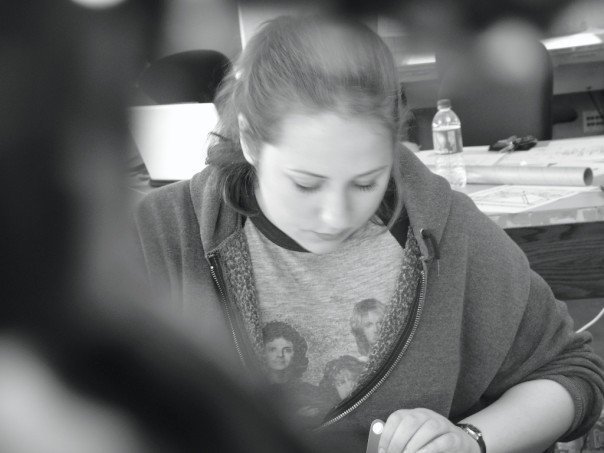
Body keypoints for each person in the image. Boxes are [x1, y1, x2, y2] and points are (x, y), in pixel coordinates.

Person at [135, 14, 604, 453]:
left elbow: (572, 373)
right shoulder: (163, 233)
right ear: (251, 140)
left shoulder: (447, 229)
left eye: (366, 182)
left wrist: (468, 440)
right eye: (306, 184)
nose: (336, 216)